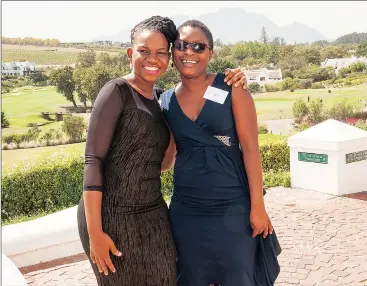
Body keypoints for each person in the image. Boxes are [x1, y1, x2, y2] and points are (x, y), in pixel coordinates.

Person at [77, 16, 247, 286]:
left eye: (160, 53)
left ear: (169, 58)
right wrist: (95, 231)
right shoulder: (116, 91)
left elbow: (163, 163)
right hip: (112, 216)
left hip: (154, 214)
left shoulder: (162, 99)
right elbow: (93, 160)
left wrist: (234, 77)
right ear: (131, 53)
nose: (152, 59)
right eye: (144, 51)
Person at [160, 20, 281, 286]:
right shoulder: (165, 101)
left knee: (238, 277)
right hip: (187, 210)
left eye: (198, 46)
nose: (189, 52)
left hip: (233, 206)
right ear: (173, 53)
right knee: (191, 277)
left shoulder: (231, 87)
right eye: (181, 45)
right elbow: (167, 159)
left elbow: (250, 148)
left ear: (210, 53)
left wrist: (258, 207)